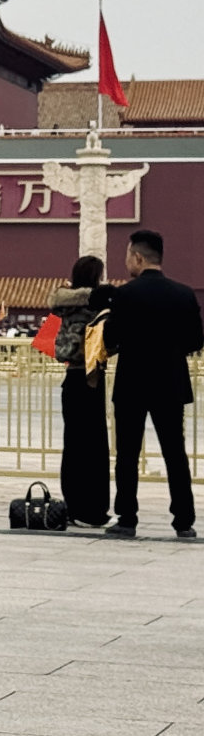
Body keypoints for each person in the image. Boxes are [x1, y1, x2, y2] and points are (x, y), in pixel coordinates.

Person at [103, 230, 204, 539]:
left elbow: (111, 339)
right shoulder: (184, 294)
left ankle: (127, 518)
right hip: (171, 382)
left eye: (127, 256)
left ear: (138, 257)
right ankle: (184, 520)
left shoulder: (125, 295)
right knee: (175, 452)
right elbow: (195, 340)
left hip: (133, 382)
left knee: (128, 454)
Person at [48, 256, 115, 527]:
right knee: (95, 446)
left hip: (70, 378)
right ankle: (93, 509)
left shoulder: (62, 304)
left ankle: (74, 505)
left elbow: (49, 343)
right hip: (91, 378)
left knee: (73, 445)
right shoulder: (98, 304)